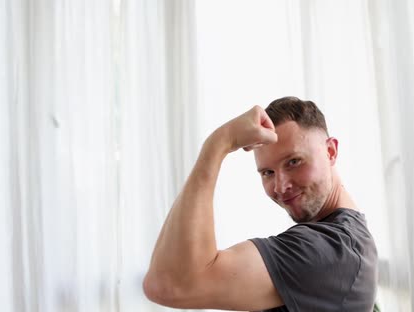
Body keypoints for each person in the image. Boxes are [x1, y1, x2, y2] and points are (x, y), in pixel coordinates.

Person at [143, 96, 377, 311]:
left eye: (294, 161)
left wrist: (219, 143)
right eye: (267, 172)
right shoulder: (346, 239)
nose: (280, 186)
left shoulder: (331, 249)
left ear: (330, 151)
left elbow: (169, 285)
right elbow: (161, 279)